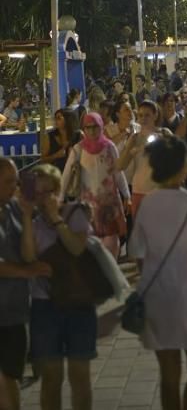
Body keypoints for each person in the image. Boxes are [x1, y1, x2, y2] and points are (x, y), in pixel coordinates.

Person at [128, 135, 187, 410]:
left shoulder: (146, 206)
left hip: (158, 298)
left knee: (169, 376)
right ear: (182, 166)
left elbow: (139, 257)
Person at [20, 164, 96, 410]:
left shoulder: (75, 212)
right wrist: (27, 217)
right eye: (38, 193)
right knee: (51, 378)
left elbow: (77, 248)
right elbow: (29, 257)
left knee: (79, 376)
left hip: (78, 302)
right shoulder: (31, 220)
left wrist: (55, 219)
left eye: (48, 191)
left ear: (58, 189)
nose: (43, 199)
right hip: (45, 305)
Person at [0, 158, 52, 410]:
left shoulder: (12, 208)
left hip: (15, 310)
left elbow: (28, 251)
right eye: (9, 181)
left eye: (16, 180)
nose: (15, 186)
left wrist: (31, 212)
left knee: (11, 375)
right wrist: (26, 271)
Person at [61, 113, 130, 258]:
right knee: (92, 246)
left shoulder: (110, 147)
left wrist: (127, 196)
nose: (92, 131)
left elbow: (118, 172)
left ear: (101, 127)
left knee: (111, 245)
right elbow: (66, 175)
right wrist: (60, 198)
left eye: (96, 127)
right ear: (84, 129)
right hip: (88, 206)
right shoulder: (78, 150)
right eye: (88, 127)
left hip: (109, 204)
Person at [117, 100, 164, 216]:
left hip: (158, 191)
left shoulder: (164, 134)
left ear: (155, 115)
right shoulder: (135, 138)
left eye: (147, 115)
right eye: (141, 115)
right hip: (138, 190)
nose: (143, 119)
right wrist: (130, 149)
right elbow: (120, 166)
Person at [41, 108, 81, 172]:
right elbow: (43, 160)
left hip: (74, 173)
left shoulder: (79, 135)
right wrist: (56, 155)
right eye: (55, 118)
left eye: (59, 118)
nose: (55, 121)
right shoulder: (49, 136)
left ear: (68, 119)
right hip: (55, 174)